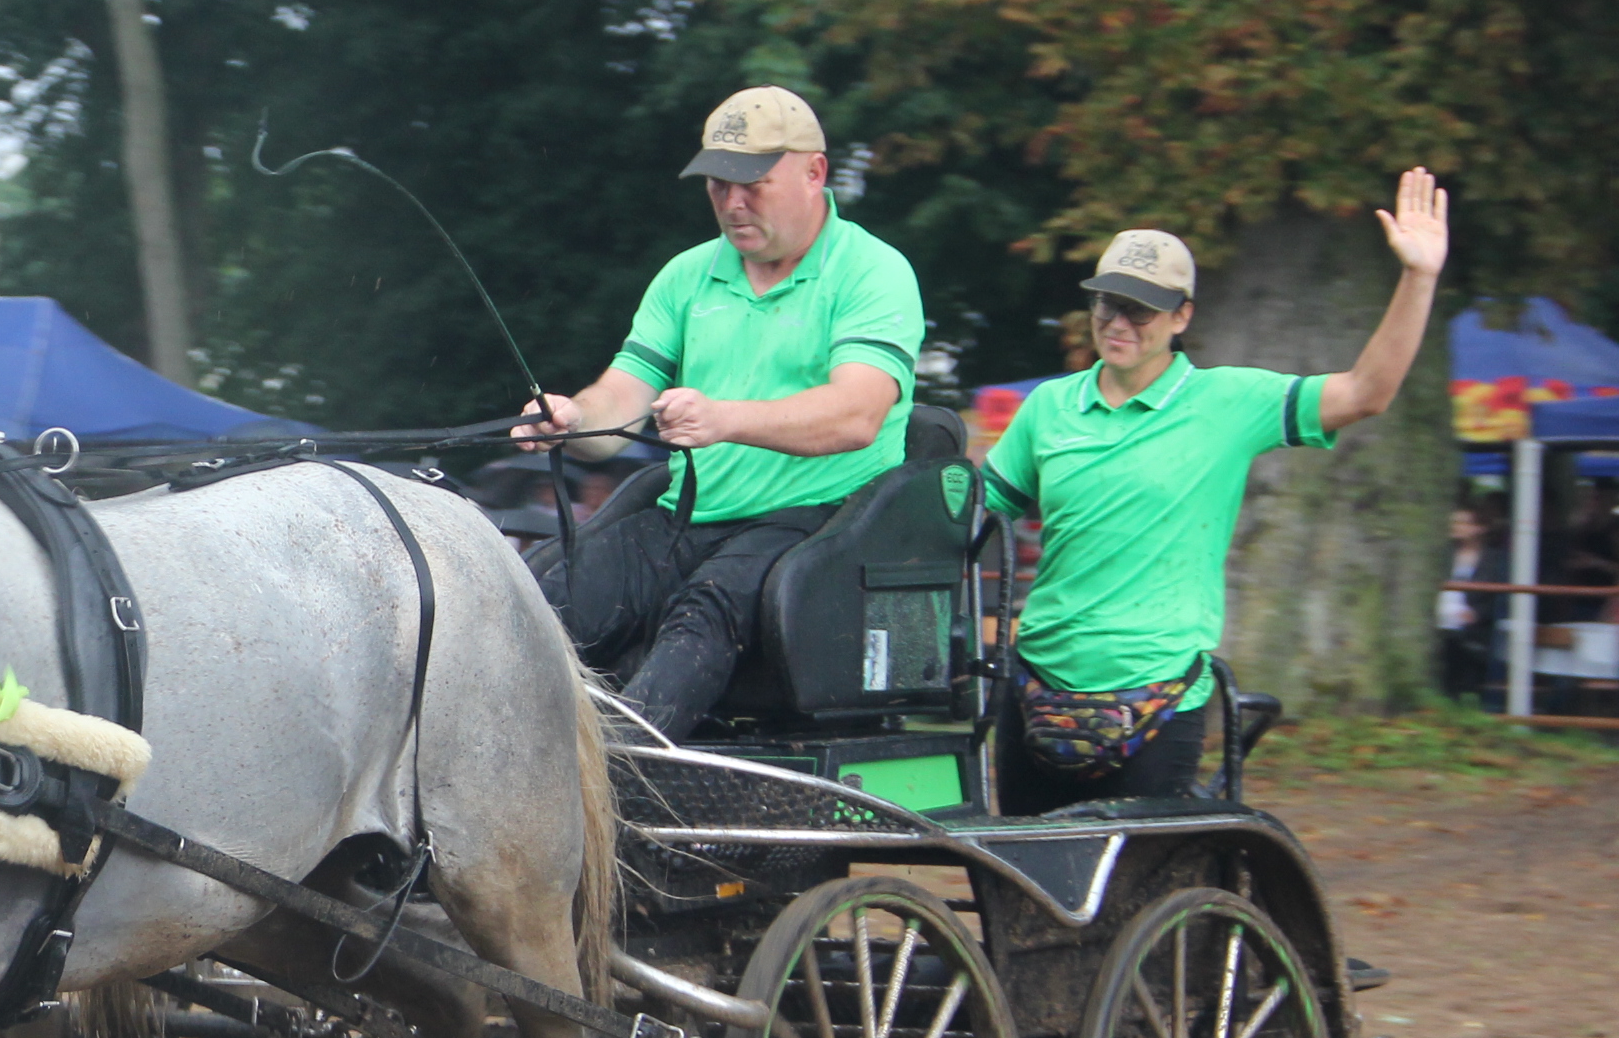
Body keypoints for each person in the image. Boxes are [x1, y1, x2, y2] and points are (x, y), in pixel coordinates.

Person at [982, 171, 1449, 810]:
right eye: (1107, 302)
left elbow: (1368, 392)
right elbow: (973, 517)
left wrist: (1418, 277)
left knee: (1133, 898)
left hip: (1158, 694)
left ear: (1182, 316)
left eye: (1140, 308)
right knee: (1016, 887)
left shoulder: (1227, 401)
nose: (1119, 322)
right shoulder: (1049, 408)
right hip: (1035, 688)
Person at [515, 87, 927, 736]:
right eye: (716, 186)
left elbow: (857, 415)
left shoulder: (873, 272)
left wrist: (725, 420)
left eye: (752, 184)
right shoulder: (685, 276)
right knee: (535, 605)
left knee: (704, 612)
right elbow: (621, 398)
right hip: (688, 519)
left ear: (814, 172)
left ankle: (623, 782)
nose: (732, 204)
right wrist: (571, 420)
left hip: (818, 529)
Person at [1437, 501, 1507, 702]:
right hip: (1442, 621)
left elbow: (1499, 598)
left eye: (1463, 522)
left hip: (1475, 627)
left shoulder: (1495, 559)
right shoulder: (1442, 556)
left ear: (1480, 528)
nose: (1456, 526)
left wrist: (1477, 614)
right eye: (1454, 522)